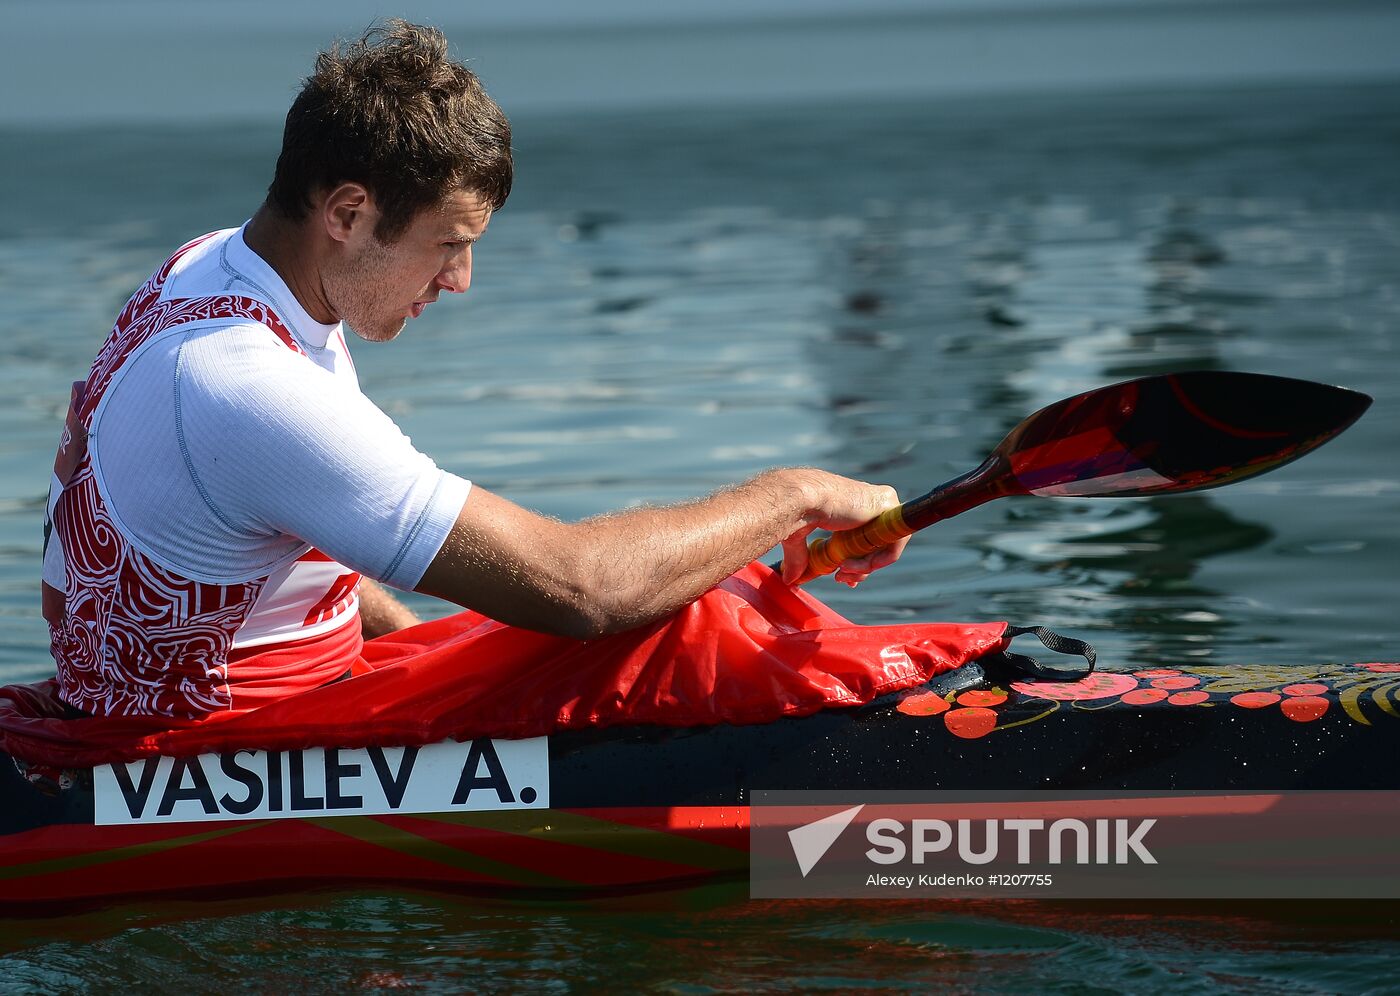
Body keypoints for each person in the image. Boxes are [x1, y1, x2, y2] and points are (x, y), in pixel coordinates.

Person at [41, 20, 907, 720]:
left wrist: (430, 659)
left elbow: (284, 539)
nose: (458, 281)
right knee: (674, 623)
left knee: (650, 605)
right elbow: (585, 588)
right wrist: (793, 494)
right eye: (446, 245)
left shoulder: (212, 268)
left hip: (175, 695)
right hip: (197, 758)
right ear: (347, 212)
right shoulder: (246, 385)